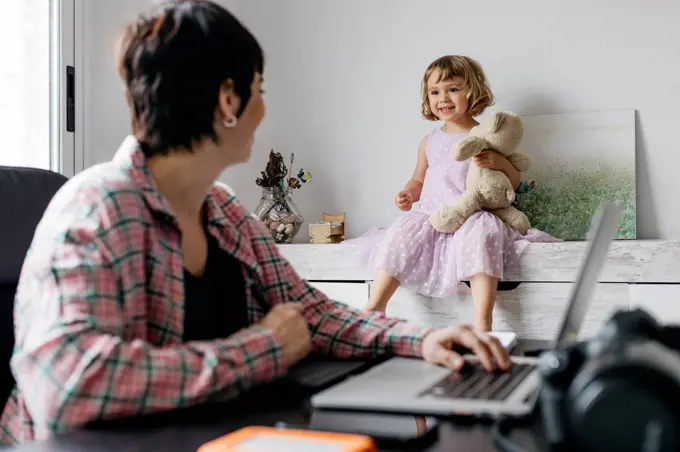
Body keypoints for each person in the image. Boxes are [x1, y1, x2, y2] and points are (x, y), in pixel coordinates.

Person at [0, 2, 511, 445]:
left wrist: (421, 341)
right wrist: (263, 349)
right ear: (228, 99)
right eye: (259, 89)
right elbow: (69, 387)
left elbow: (310, 314)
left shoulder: (224, 211)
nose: (263, 108)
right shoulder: (96, 210)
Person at [350, 55, 557, 331]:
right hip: (434, 215)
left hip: (471, 213)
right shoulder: (429, 141)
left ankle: (483, 319)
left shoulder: (484, 136)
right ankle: (376, 305)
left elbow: (514, 181)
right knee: (401, 233)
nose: (443, 98)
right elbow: (418, 179)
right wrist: (409, 194)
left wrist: (501, 163)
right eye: (435, 92)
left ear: (472, 91)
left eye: (453, 89)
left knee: (483, 235)